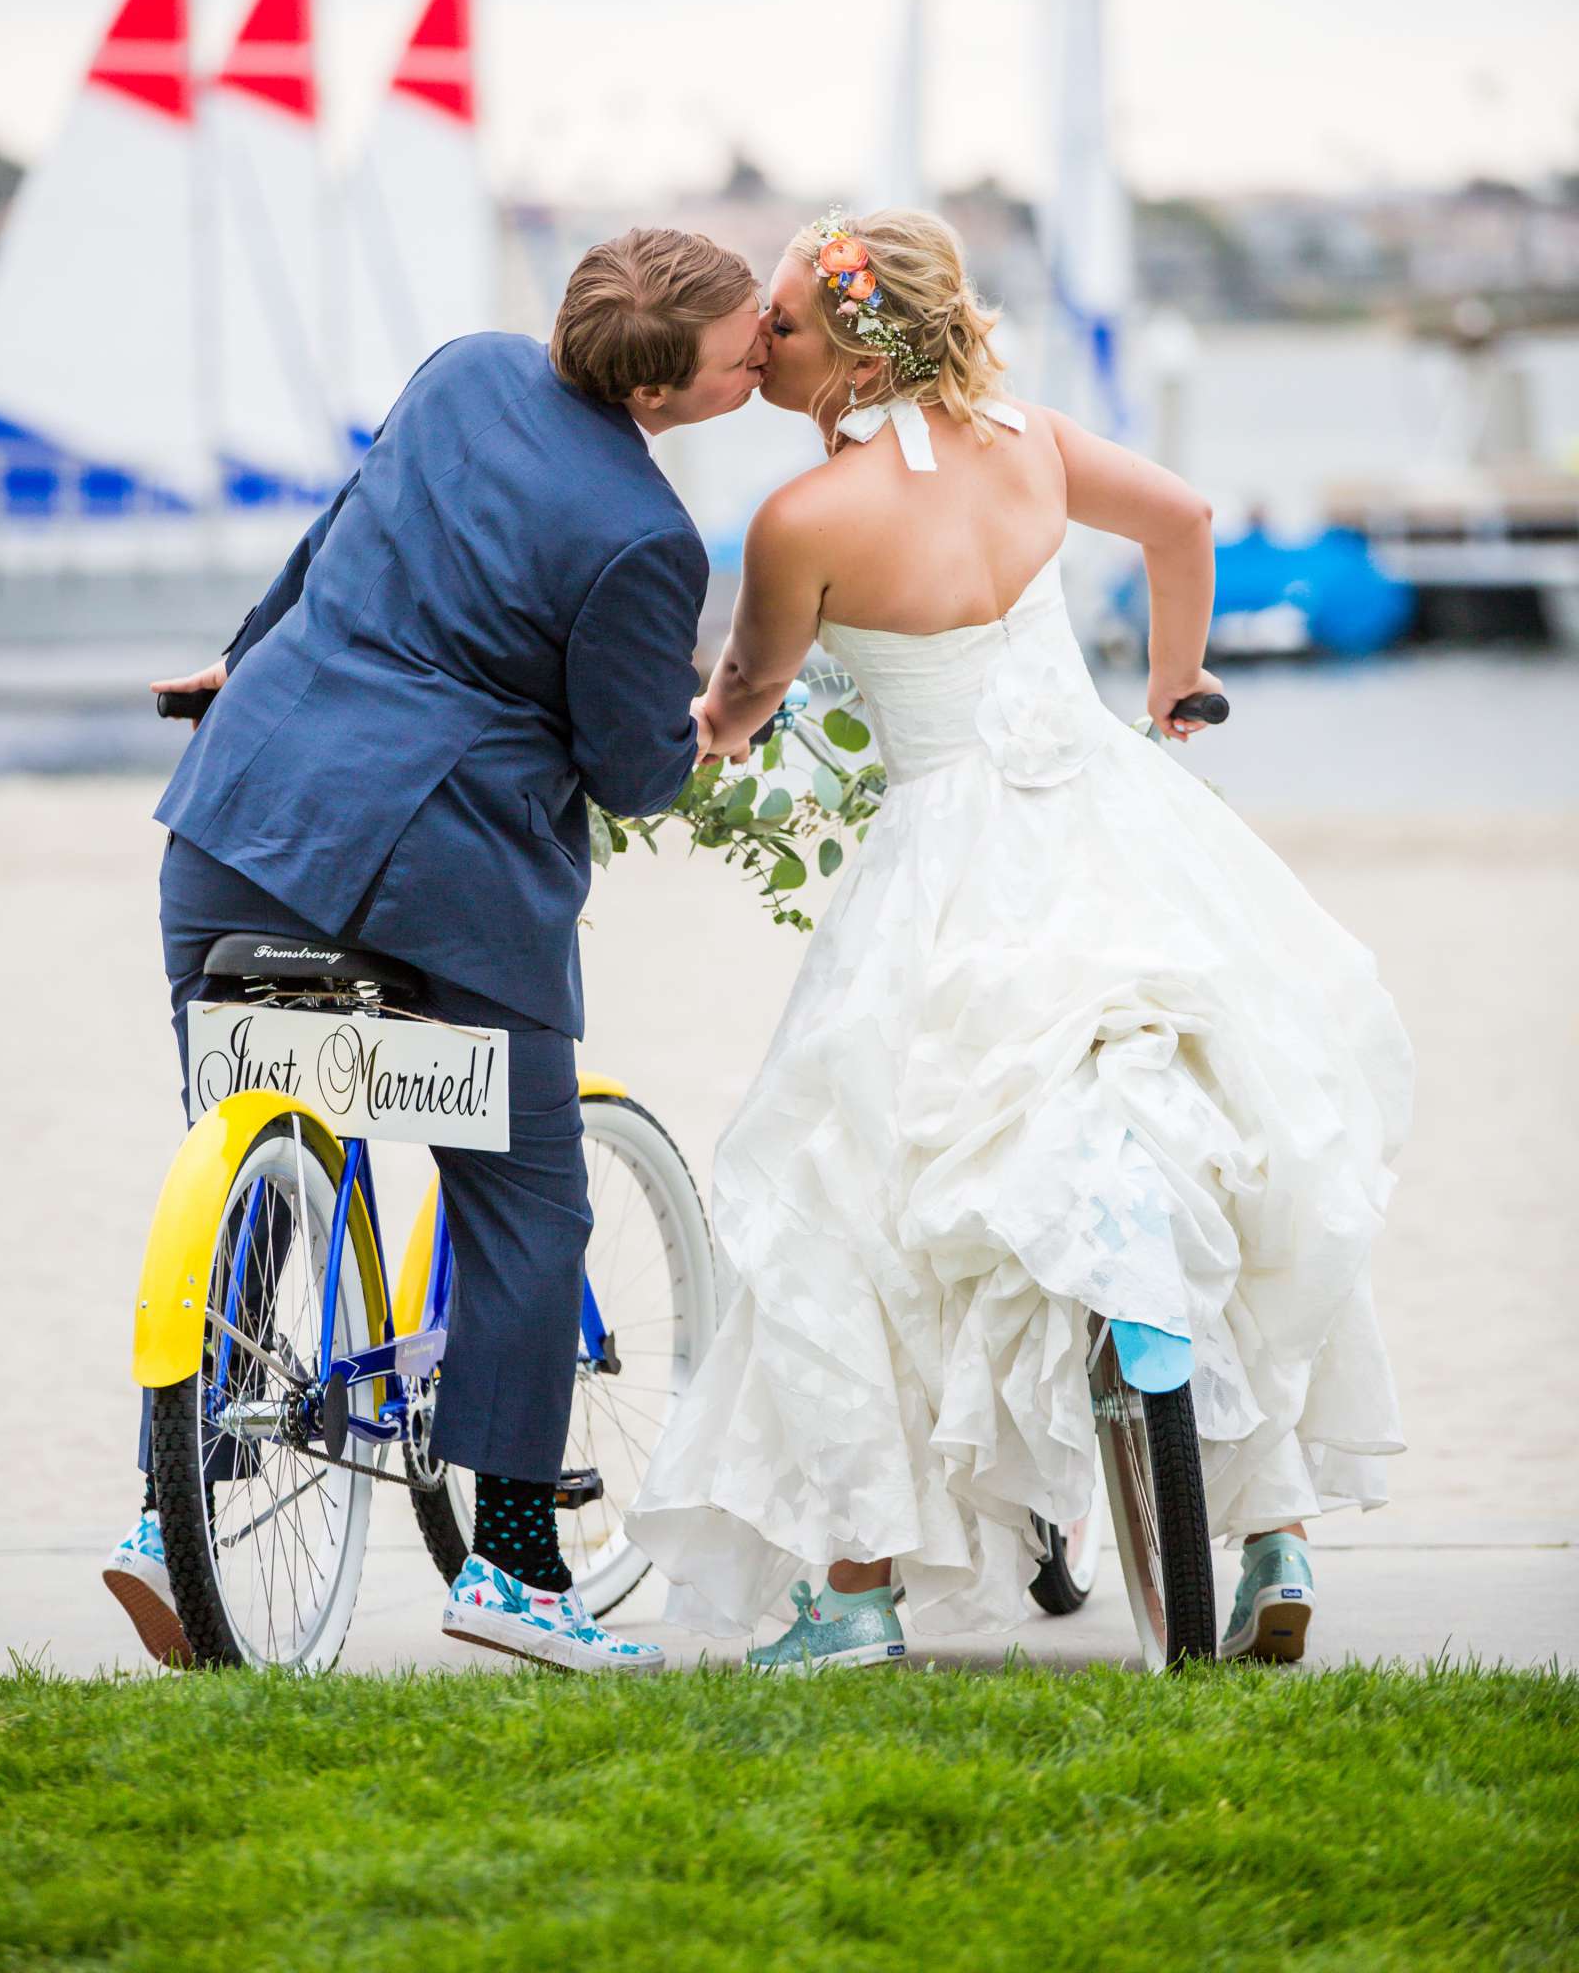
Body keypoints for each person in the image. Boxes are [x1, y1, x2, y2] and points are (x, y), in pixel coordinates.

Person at [628, 208, 1410, 1669]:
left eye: (784, 323)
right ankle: (1273, 1532)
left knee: (842, 1187)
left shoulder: (803, 523)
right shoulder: (1031, 440)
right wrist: (1178, 692)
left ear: (856, 347)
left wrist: (688, 748)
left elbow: (740, 697)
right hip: (1112, 825)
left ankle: (857, 1590)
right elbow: (1184, 519)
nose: (761, 342)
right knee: (1215, 1130)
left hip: (949, 868)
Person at [103, 227, 768, 1677]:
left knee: (249, 1148)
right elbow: (637, 774)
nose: (765, 348)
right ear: (666, 394)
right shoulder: (649, 538)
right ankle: (519, 1569)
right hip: (436, 877)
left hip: (234, 817)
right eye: (743, 346)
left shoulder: (466, 370)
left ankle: (174, 1505)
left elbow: (331, 543)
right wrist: (714, 731)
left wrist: (244, 662)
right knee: (525, 1194)